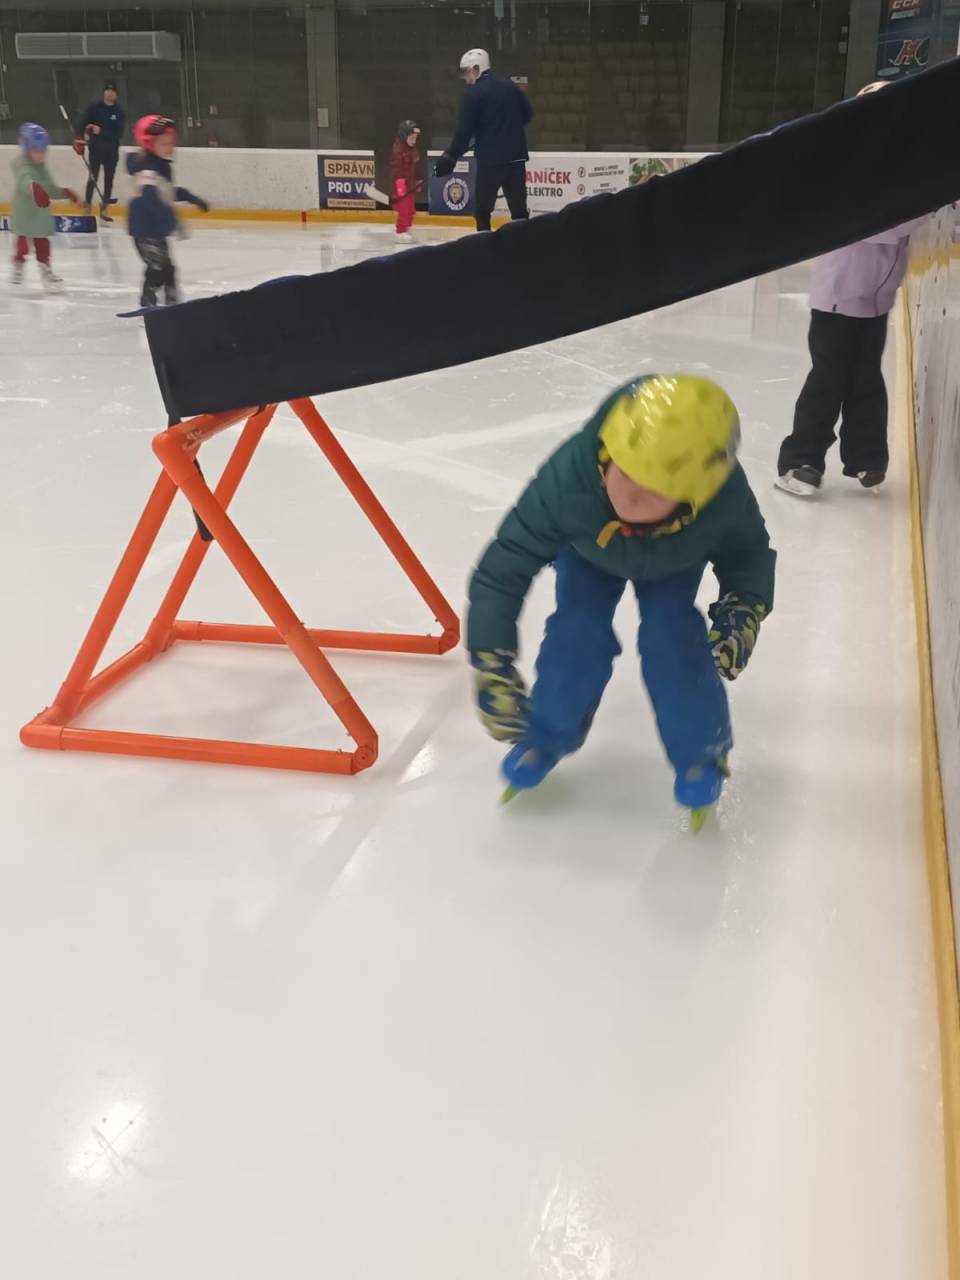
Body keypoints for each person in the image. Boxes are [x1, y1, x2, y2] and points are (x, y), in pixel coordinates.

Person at [467, 374, 775, 820]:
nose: (631, 494)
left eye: (655, 490)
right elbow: (505, 564)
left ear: (695, 495)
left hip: (674, 559)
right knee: (576, 631)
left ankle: (701, 750)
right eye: (626, 472)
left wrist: (742, 610)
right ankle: (547, 734)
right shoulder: (569, 478)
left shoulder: (723, 498)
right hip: (589, 552)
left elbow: (748, 553)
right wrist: (490, 658)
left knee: (673, 639)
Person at [776, 80, 927, 497]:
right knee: (829, 380)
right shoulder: (848, 168)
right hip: (838, 299)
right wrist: (927, 203)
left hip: (876, 301)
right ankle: (800, 461)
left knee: (866, 379)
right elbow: (878, 227)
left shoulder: (894, 168)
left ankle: (866, 458)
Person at [435, 48, 533, 233]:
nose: (465, 78)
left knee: (482, 211)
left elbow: (463, 133)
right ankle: (522, 246)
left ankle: (483, 244)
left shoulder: (472, 95)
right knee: (519, 211)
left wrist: (450, 156)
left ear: (476, 69)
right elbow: (528, 114)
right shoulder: (511, 87)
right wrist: (507, 129)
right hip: (516, 159)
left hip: (491, 162)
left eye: (466, 72)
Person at [126, 115, 209, 307]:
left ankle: (171, 300)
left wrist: (192, 198)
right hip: (144, 229)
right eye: (163, 144)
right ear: (148, 144)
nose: (170, 148)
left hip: (157, 229)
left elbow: (167, 192)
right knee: (158, 267)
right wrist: (169, 217)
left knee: (167, 268)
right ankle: (148, 297)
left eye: (171, 143)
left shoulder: (161, 166)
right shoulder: (146, 171)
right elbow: (151, 199)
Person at [9, 123, 79, 292]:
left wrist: (64, 192)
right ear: (27, 150)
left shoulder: (42, 168)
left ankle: (46, 268)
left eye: (43, 151)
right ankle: (19, 262)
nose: (41, 155)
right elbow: (25, 180)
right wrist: (33, 188)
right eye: (36, 151)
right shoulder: (22, 165)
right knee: (23, 242)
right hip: (25, 212)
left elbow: (50, 188)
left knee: (42, 243)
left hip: (40, 214)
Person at [73, 80, 125, 223]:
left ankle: (104, 207)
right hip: (96, 150)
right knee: (92, 177)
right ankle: (88, 204)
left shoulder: (119, 112)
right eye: (107, 90)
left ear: (116, 94)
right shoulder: (94, 107)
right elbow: (82, 122)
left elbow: (118, 133)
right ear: (103, 92)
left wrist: (101, 131)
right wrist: (78, 138)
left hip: (111, 151)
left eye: (112, 91)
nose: (109, 93)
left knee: (109, 179)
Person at [390, 119, 422, 244]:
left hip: (411, 185)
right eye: (412, 138)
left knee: (411, 210)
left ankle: (407, 227)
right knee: (403, 209)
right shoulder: (398, 150)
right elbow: (396, 167)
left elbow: (417, 166)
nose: (414, 140)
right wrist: (399, 182)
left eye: (415, 138)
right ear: (404, 136)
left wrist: (418, 180)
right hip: (401, 186)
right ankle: (400, 231)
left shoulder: (413, 149)